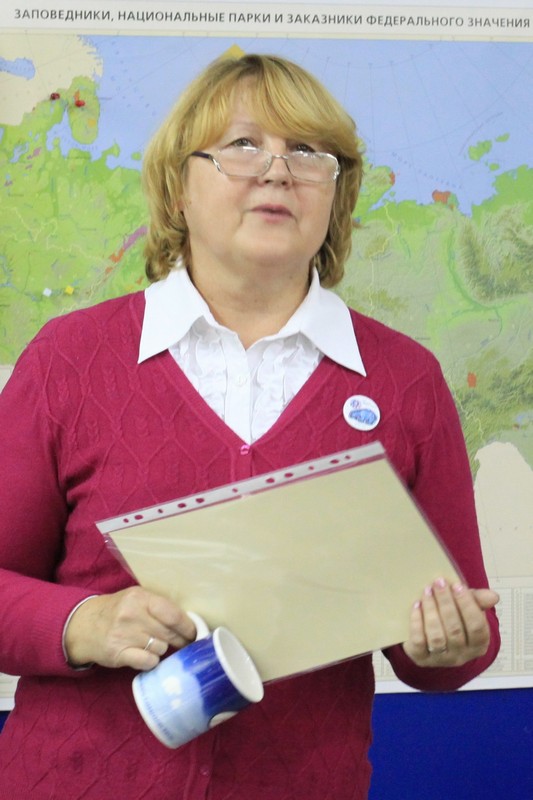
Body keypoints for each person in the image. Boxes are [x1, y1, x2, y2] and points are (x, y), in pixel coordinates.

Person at [0, 53, 499, 799]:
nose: (278, 171)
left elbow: (452, 651)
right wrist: (82, 623)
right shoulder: (69, 360)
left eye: (308, 152)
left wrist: (448, 644)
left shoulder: (406, 382)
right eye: (242, 145)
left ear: (336, 192)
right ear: (178, 188)